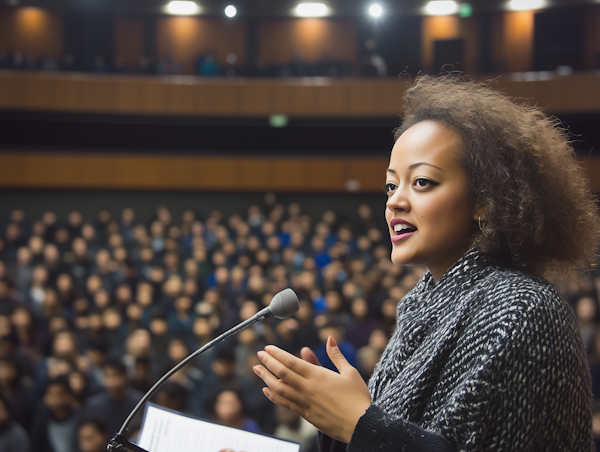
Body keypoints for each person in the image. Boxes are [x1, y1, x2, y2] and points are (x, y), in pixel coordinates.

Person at [250, 75, 600, 451]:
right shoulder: (422, 302)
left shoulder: (523, 310)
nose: (394, 201)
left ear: (485, 202)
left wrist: (358, 422)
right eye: (390, 185)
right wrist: (331, 417)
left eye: (421, 182)